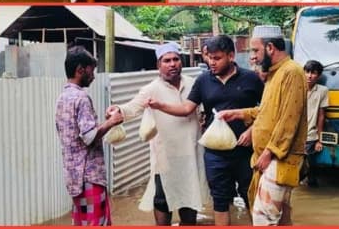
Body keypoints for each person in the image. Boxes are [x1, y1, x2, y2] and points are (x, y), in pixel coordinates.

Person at [148, 35, 263, 226]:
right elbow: (186, 109)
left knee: (251, 197)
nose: (211, 62)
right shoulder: (203, 81)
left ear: (231, 56)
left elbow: (267, 110)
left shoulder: (251, 79)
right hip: (215, 154)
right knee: (219, 200)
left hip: (246, 152)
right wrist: (159, 105)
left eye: (217, 58)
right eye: (209, 58)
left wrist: (252, 129)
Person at [106, 42, 206, 226]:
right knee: (162, 198)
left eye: (175, 59)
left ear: (181, 62)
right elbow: (133, 107)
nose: (172, 64)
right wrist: (118, 109)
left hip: (191, 152)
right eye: (166, 60)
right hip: (164, 155)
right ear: (158, 65)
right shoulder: (151, 89)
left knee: (190, 196)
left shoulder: (193, 84)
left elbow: (204, 110)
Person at [218, 25, 307, 226]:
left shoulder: (292, 72)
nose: (252, 57)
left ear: (270, 48)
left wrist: (269, 152)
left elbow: (288, 120)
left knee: (263, 218)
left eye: (255, 50)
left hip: (279, 156)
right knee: (281, 216)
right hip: (271, 155)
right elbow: (267, 112)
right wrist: (239, 113)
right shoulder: (274, 74)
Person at [55, 46, 123, 226]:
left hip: (74, 176)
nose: (93, 76)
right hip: (89, 175)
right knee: (96, 222)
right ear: (80, 70)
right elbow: (89, 137)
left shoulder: (62, 97)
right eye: (91, 71)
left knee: (82, 222)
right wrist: (111, 122)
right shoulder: (81, 98)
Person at [301, 60, 328, 188]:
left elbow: (322, 115)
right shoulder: (297, 88)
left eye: (313, 73)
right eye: (307, 72)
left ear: (319, 76)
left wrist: (319, 140)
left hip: (311, 136)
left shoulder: (322, 91)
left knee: (311, 170)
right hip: (296, 135)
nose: (309, 76)